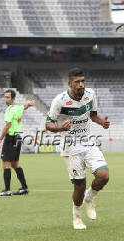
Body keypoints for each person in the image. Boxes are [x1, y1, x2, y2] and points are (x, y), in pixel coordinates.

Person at [45, 68, 110, 230]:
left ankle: (89, 199)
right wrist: (60, 129)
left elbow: (93, 115)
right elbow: (48, 124)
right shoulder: (59, 101)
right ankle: (77, 217)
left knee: (103, 176)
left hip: (88, 141)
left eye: (83, 81)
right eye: (77, 82)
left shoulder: (90, 94)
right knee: (79, 185)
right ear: (69, 84)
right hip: (70, 145)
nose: (81, 85)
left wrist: (102, 122)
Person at [0, 89, 34, 196]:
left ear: (12, 98)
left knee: (6, 164)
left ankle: (7, 190)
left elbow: (7, 125)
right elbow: (24, 106)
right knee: (15, 164)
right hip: (18, 138)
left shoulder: (10, 110)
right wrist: (29, 104)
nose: (5, 99)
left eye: (7, 97)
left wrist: (0, 139)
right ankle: (24, 188)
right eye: (5, 97)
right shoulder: (18, 107)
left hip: (11, 138)